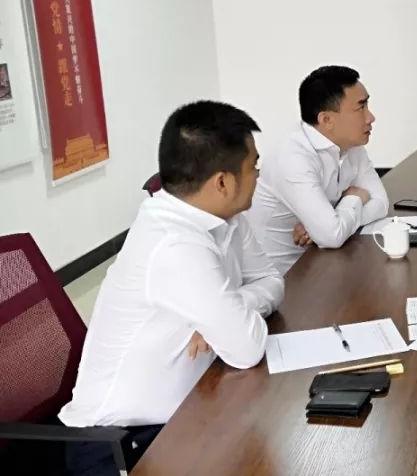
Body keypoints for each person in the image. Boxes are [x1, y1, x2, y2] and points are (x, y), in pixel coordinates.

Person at [60, 101, 284, 475]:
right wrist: (228, 318)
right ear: (223, 182)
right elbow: (246, 348)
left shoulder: (222, 217)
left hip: (182, 415)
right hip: (118, 448)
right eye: (253, 168)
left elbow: (272, 282)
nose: (258, 176)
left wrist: (233, 307)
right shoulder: (174, 243)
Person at [247, 65, 389, 275]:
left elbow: (381, 203)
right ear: (326, 120)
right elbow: (331, 236)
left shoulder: (351, 144)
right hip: (283, 277)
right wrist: (354, 199)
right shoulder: (292, 157)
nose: (371, 117)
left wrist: (328, 224)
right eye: (361, 108)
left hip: (323, 261)